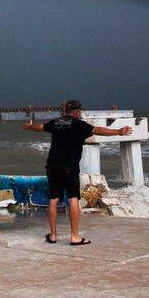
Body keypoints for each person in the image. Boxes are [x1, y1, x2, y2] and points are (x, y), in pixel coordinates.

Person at [23, 99, 133, 245]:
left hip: (52, 166)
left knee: (53, 199)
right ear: (76, 112)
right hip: (70, 167)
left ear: (66, 111)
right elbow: (99, 130)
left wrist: (28, 127)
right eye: (80, 111)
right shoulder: (80, 124)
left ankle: (53, 235)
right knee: (73, 198)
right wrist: (118, 132)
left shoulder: (56, 122)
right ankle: (74, 236)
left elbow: (40, 127)